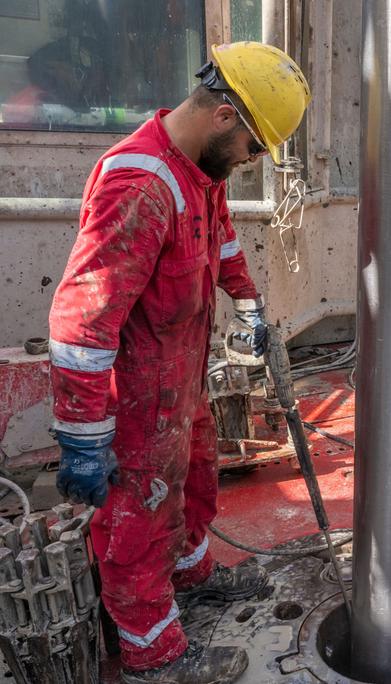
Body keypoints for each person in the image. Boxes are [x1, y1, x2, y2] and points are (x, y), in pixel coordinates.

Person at [48, 41, 311, 684]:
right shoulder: (140, 182)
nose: (250, 162)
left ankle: (190, 579)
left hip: (182, 381)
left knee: (194, 485)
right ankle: (152, 653)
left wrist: (246, 301)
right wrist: (84, 438)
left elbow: (220, 240)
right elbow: (84, 320)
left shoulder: (198, 172)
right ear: (225, 117)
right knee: (138, 519)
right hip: (137, 401)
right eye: (253, 146)